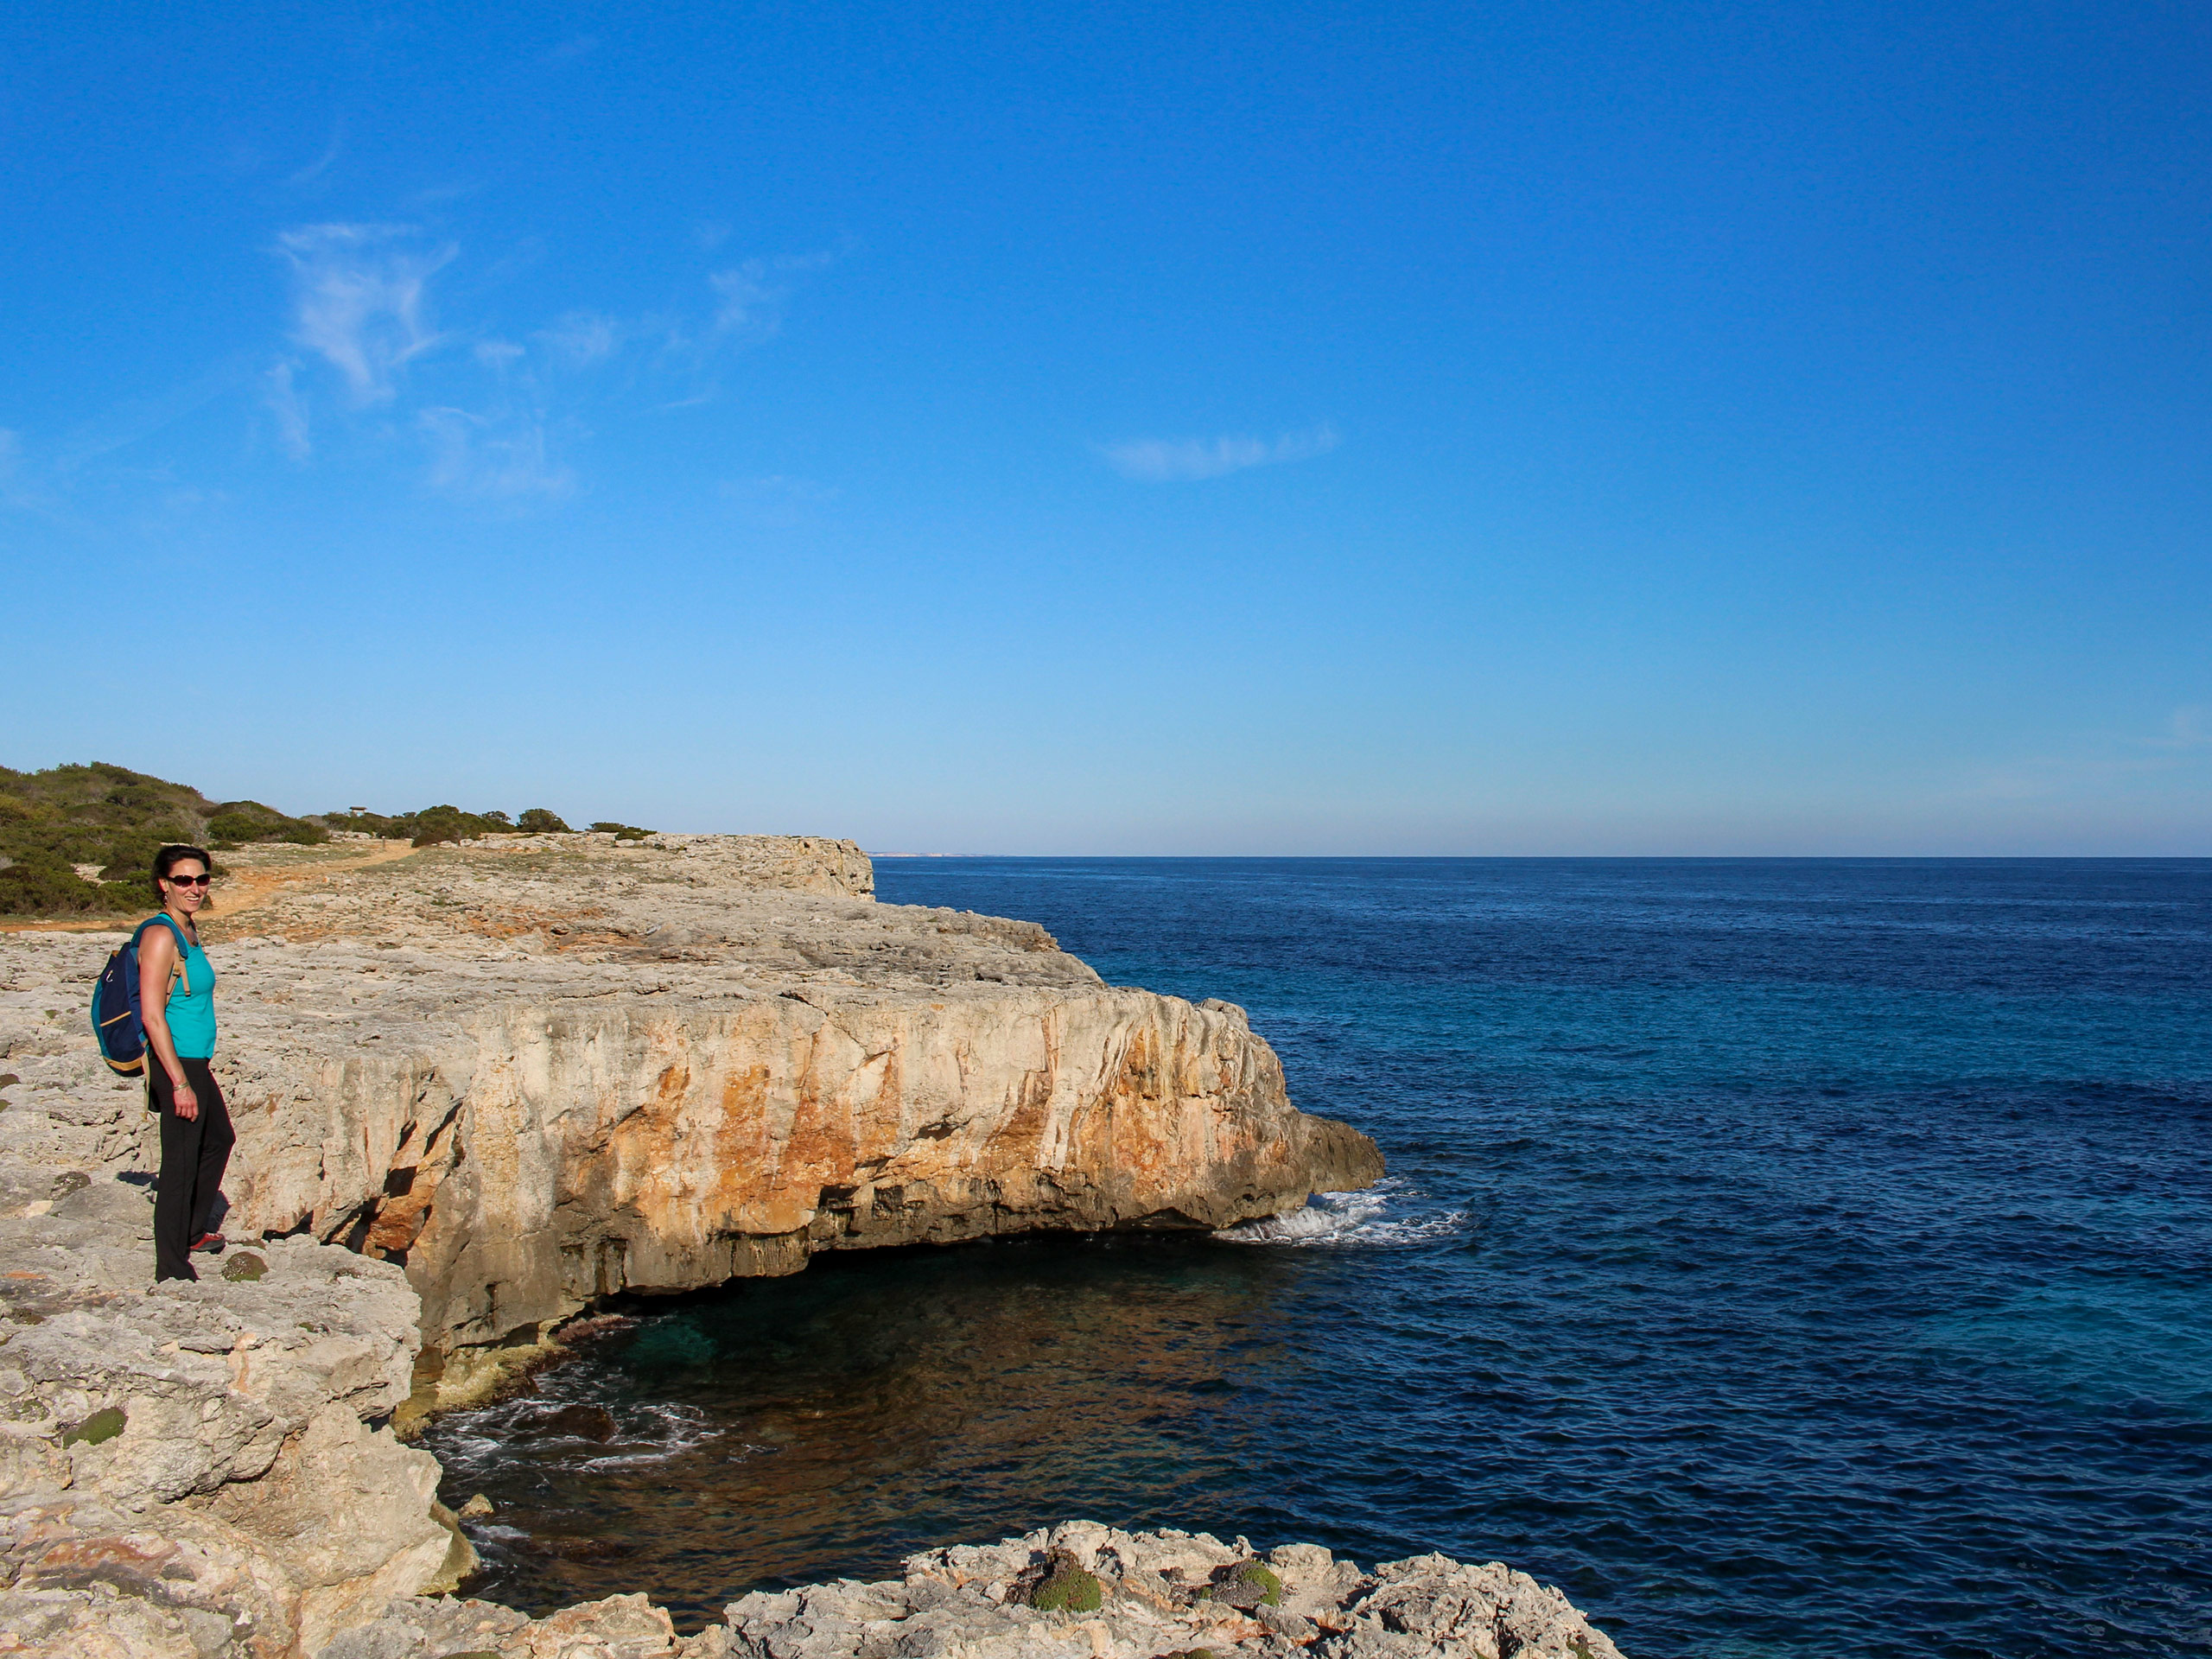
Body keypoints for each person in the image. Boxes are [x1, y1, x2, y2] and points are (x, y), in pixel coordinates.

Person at [138, 844, 235, 1283]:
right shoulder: (160, 935)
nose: (194, 888)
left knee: (219, 1138)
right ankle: (172, 1267)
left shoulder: (188, 930)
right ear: (165, 884)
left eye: (202, 879)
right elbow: (152, 1013)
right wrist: (178, 1082)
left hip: (195, 1059)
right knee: (179, 1163)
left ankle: (194, 1231)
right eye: (183, 880)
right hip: (176, 1063)